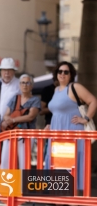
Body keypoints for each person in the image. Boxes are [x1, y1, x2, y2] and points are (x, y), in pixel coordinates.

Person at [44, 61, 97, 192]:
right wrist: (50, 125)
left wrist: (85, 118)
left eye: (66, 72)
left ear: (71, 74)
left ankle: (70, 199)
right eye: (59, 71)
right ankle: (59, 198)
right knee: (57, 165)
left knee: (68, 165)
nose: (62, 74)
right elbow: (58, 112)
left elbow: (93, 101)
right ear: (56, 74)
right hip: (56, 133)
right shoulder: (56, 90)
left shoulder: (75, 87)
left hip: (71, 132)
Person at [0, 74, 40, 169]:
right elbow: (6, 114)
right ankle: (5, 184)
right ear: (19, 85)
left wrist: (12, 120)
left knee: (24, 163)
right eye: (22, 83)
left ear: (32, 86)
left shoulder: (35, 100)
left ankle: (23, 184)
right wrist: (6, 120)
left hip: (27, 135)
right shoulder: (15, 98)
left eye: (27, 83)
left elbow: (30, 116)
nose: (25, 85)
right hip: (11, 133)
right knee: (5, 161)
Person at [0, 57, 20, 137]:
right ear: (0, 71)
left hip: (11, 127)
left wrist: (10, 120)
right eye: (4, 70)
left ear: (14, 71)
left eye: (9, 70)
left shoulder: (20, 85)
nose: (7, 73)